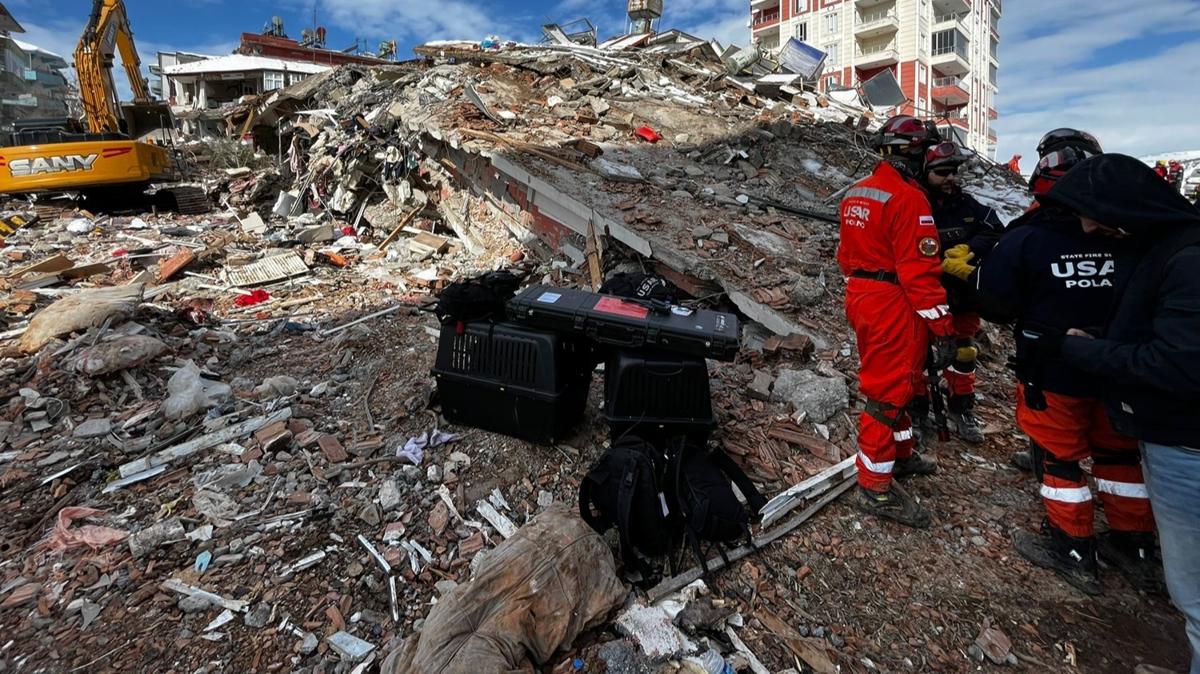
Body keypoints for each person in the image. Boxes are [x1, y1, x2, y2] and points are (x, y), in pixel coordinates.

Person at [950, 151, 1159, 597]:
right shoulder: (1138, 237)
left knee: (1059, 459)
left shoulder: (1029, 238)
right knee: (1119, 456)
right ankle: (1135, 546)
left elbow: (995, 301)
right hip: (1120, 368)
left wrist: (974, 275)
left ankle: (1074, 550)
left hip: (1053, 368)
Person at [1038, 153, 1200, 672]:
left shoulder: (1187, 259)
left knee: (1197, 600)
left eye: (1099, 224)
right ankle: (1131, 546)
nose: (1091, 234)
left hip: (1185, 442)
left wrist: (1088, 351)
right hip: (1164, 431)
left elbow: (1179, 364)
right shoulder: (1168, 250)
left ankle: (1076, 546)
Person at [838, 115, 957, 528]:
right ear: (914, 154)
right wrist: (943, 328)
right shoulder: (909, 199)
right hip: (893, 301)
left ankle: (901, 455)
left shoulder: (857, 192)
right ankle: (875, 487)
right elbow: (920, 274)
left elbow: (845, 257)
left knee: (899, 381)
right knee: (888, 392)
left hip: (863, 294)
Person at [1009, 128, 1105, 472]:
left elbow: (997, 295)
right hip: (1119, 348)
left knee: (1059, 451)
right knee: (1117, 452)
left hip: (1051, 349)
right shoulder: (1130, 223)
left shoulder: (1034, 226)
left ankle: (1068, 526)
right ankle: (1131, 525)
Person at [910, 141, 1004, 444]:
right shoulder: (915, 203)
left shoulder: (967, 204)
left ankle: (962, 408)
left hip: (963, 295)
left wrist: (969, 250)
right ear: (926, 171)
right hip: (926, 294)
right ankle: (919, 412)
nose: (950, 177)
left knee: (963, 354)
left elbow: (995, 228)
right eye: (942, 172)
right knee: (921, 355)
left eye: (953, 171)